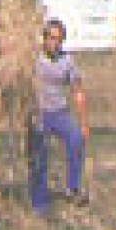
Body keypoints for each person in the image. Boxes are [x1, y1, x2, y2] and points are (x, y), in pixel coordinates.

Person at [26, 19, 90, 216]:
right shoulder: (31, 58)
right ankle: (39, 202)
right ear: (44, 38)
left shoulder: (67, 61)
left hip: (60, 113)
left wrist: (84, 123)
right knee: (39, 156)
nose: (55, 43)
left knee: (76, 139)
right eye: (52, 38)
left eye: (59, 39)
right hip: (38, 114)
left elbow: (78, 91)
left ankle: (72, 188)